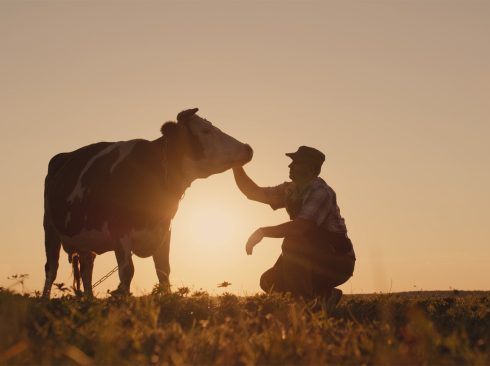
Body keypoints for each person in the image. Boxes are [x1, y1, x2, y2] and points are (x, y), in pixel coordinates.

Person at [232, 146, 355, 305]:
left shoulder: (321, 192)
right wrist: (235, 164)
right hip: (310, 254)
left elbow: (301, 227)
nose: (290, 166)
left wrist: (262, 232)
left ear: (310, 168)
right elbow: (253, 192)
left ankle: (304, 305)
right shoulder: (290, 189)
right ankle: (325, 296)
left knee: (293, 241)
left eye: (297, 162)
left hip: (337, 261)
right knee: (269, 281)